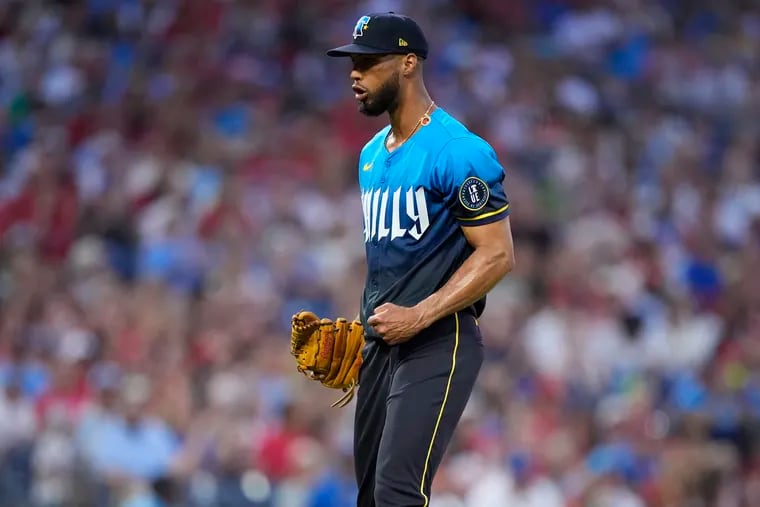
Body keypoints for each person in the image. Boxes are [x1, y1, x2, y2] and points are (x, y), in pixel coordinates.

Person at [326, 11, 515, 507]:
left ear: (408, 63)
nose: (354, 74)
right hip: (382, 345)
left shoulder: (458, 151)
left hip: (439, 338)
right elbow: (391, 262)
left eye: (368, 62)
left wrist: (419, 315)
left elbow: (497, 255)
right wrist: (363, 324)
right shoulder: (370, 155)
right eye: (352, 62)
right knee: (370, 497)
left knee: (396, 493)